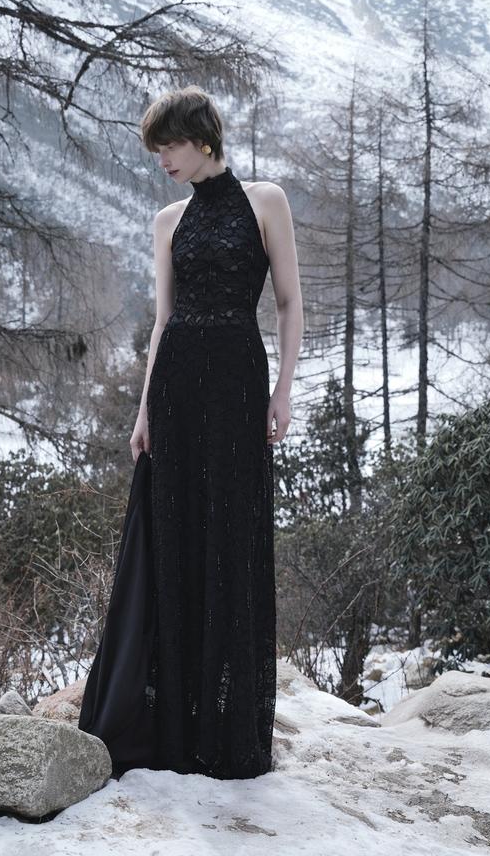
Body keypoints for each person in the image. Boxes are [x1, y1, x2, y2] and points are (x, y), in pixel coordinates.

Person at [131, 84, 304, 779]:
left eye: (169, 145)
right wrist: (144, 411)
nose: (162, 160)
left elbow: (288, 302)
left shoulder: (266, 201)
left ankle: (230, 728)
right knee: (177, 538)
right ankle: (178, 723)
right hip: (175, 390)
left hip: (237, 384)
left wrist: (283, 391)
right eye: (156, 150)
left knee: (232, 536)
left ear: (203, 137)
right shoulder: (167, 220)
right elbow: (162, 323)